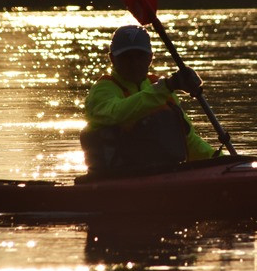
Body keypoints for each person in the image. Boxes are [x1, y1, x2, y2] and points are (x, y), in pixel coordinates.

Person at [81, 25, 217, 173]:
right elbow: (118, 113)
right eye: (126, 57)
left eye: (139, 56)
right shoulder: (102, 90)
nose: (134, 63)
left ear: (150, 57)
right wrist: (166, 87)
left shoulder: (158, 87)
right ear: (112, 59)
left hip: (161, 175)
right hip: (111, 178)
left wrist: (220, 160)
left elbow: (188, 140)